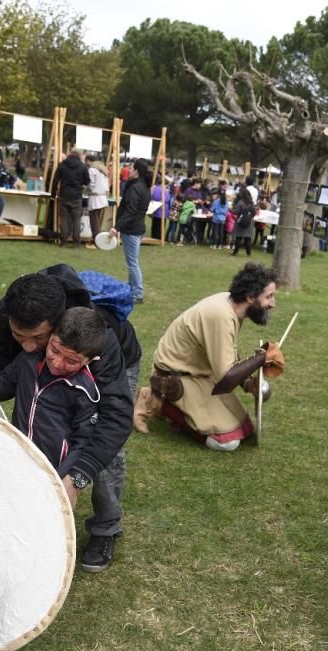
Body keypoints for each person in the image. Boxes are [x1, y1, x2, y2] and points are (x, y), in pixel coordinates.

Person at [0, 265, 137, 572]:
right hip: (61, 358)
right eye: (18, 335)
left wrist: (78, 476)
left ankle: (105, 529)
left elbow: (115, 417)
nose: (25, 346)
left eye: (36, 337)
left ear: (58, 325)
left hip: (112, 369)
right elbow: (3, 358)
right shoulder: (11, 312)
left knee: (104, 451)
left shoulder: (98, 338)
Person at [134, 263, 284, 451]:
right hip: (174, 378)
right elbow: (225, 379)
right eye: (269, 296)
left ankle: (179, 412)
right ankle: (157, 401)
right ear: (250, 296)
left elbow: (225, 354)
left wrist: (247, 383)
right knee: (226, 443)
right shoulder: (221, 315)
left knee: (245, 429)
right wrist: (261, 358)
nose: (273, 304)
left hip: (198, 373)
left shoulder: (231, 306)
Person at [0, 307, 105, 478]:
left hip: (49, 471)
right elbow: (5, 382)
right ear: (50, 337)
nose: (57, 363)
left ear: (91, 360)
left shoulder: (84, 392)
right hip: (15, 454)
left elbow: (82, 442)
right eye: (54, 350)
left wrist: (59, 479)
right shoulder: (28, 360)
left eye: (71, 361)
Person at [110, 159, 152, 304]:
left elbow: (131, 211)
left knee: (132, 263)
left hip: (132, 229)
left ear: (136, 171)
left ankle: (137, 293)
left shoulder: (136, 188)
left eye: (131, 169)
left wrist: (116, 227)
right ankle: (131, 290)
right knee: (131, 262)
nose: (129, 171)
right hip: (136, 228)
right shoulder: (144, 186)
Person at [51, 148, 89, 248]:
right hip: (77, 196)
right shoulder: (82, 166)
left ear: (70, 154)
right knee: (76, 220)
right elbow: (87, 181)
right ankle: (76, 242)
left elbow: (55, 180)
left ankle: (63, 241)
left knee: (64, 219)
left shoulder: (62, 164)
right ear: (79, 155)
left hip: (64, 195)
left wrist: (53, 194)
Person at [85, 154, 110, 234]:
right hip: (102, 197)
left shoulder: (92, 169)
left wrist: (86, 189)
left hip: (95, 198)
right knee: (97, 220)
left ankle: (96, 239)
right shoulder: (103, 168)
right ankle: (97, 238)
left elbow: (91, 184)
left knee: (94, 221)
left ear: (88, 161)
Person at [231, 187, 255, 256]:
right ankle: (248, 253)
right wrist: (249, 217)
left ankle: (235, 252)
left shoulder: (240, 202)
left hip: (240, 221)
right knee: (248, 239)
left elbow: (236, 212)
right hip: (249, 222)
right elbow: (254, 212)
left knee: (238, 237)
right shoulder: (251, 202)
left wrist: (230, 210)